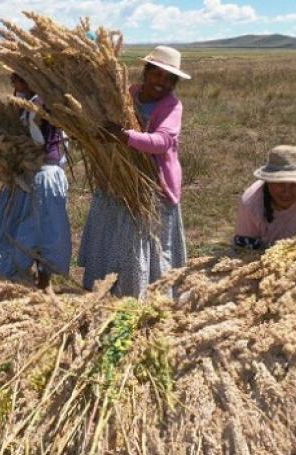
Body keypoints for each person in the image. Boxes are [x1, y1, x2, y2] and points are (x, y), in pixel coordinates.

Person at [79, 45, 189, 298]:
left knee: (138, 239)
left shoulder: (172, 105)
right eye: (157, 74)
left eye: (169, 78)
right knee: (113, 232)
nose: (162, 82)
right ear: (146, 71)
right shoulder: (129, 93)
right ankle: (105, 288)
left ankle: (141, 293)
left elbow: (163, 142)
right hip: (117, 177)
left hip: (151, 184)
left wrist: (123, 136)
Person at [0, 72, 71, 288]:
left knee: (41, 231)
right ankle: (21, 277)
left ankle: (41, 283)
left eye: (22, 79)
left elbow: (38, 141)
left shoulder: (41, 103)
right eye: (14, 79)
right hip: (26, 177)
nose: (17, 84)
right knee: (22, 227)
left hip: (43, 178)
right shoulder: (24, 105)